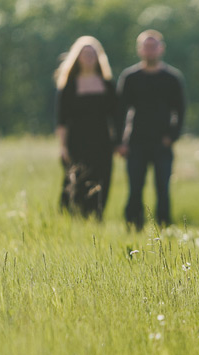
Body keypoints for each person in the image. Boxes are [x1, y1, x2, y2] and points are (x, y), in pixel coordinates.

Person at [116, 30, 186, 229]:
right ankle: (132, 228)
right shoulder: (130, 77)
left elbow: (180, 111)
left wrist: (171, 137)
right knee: (135, 189)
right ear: (140, 50)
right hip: (135, 142)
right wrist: (120, 142)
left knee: (163, 189)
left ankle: (164, 229)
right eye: (146, 47)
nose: (150, 50)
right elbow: (120, 111)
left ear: (161, 49)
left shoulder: (172, 78)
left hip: (162, 144)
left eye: (153, 46)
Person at [54, 36, 118, 220]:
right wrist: (63, 146)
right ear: (77, 57)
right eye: (85, 54)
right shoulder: (69, 86)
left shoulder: (107, 85)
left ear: (99, 57)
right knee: (75, 180)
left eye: (92, 54)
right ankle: (70, 219)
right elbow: (62, 120)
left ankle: (96, 218)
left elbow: (115, 116)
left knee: (101, 179)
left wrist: (116, 141)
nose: (89, 57)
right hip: (76, 141)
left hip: (102, 141)